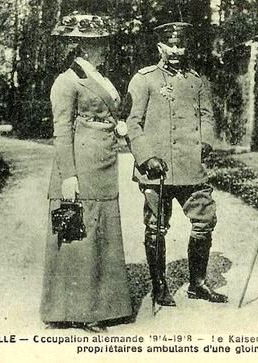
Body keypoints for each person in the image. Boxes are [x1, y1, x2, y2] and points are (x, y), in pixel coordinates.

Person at [40, 13, 132, 332]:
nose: (106, 49)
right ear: (84, 47)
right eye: (99, 44)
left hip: (104, 162)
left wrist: (117, 126)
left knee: (100, 233)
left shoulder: (98, 76)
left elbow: (105, 113)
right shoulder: (67, 81)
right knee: (82, 235)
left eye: (104, 43)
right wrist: (68, 175)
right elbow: (61, 131)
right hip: (81, 165)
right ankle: (81, 311)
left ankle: (104, 306)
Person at [125, 22, 228, 306]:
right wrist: (146, 156)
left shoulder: (196, 81)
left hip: (190, 167)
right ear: (159, 46)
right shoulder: (144, 79)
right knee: (156, 226)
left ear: (186, 47)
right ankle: (159, 286)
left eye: (180, 44)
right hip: (156, 169)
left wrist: (206, 140)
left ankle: (198, 283)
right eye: (169, 44)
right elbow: (132, 123)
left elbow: (207, 116)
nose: (175, 50)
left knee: (204, 220)